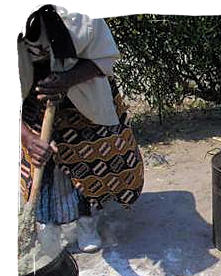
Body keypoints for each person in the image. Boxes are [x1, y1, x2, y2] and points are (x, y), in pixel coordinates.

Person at [18, 5, 144, 253]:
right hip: (29, 97)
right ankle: (47, 228)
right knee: (41, 168)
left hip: (84, 92)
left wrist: (66, 80)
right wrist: (28, 137)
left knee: (94, 163)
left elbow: (104, 59)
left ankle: (87, 223)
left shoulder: (80, 13)